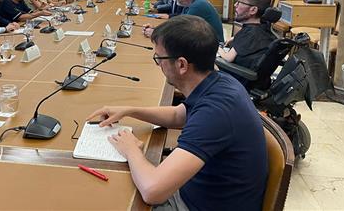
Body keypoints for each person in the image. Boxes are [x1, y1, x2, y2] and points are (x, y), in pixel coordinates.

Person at [87, 15, 267, 210]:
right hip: (203, 194)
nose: (158, 65)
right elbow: (178, 116)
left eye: (159, 58)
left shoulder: (216, 112)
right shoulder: (220, 81)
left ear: (181, 65)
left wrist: (131, 150)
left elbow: (152, 192)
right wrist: (129, 110)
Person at [143, 0, 224, 43]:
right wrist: (156, 29)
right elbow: (177, 25)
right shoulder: (190, 4)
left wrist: (155, 33)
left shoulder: (198, 5)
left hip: (213, 50)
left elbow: (180, 32)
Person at [218, 0, 276, 69]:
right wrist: (236, 39)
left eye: (240, 2)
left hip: (234, 76)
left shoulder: (249, 32)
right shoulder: (264, 27)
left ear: (253, 10)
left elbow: (228, 58)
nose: (235, 5)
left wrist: (218, 48)